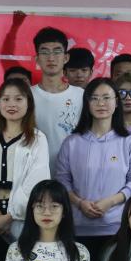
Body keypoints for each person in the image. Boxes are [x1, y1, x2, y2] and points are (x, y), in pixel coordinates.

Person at [55, 77, 131, 261]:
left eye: (106, 97)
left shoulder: (128, 142)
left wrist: (110, 202)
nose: (101, 103)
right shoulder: (72, 142)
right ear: (87, 103)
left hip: (117, 227)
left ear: (116, 102)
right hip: (78, 228)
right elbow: (62, 180)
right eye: (94, 98)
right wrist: (80, 203)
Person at [0, 77, 50, 261]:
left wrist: (10, 217)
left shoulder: (37, 139)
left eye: (18, 99)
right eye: (6, 99)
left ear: (28, 103)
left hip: (22, 218)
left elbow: (37, 182)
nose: (11, 104)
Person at [31, 27, 83, 169]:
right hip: (35, 172)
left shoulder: (81, 96)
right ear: (37, 59)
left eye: (57, 51)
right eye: (44, 52)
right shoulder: (26, 96)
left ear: (66, 58)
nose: (51, 58)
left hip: (72, 172)